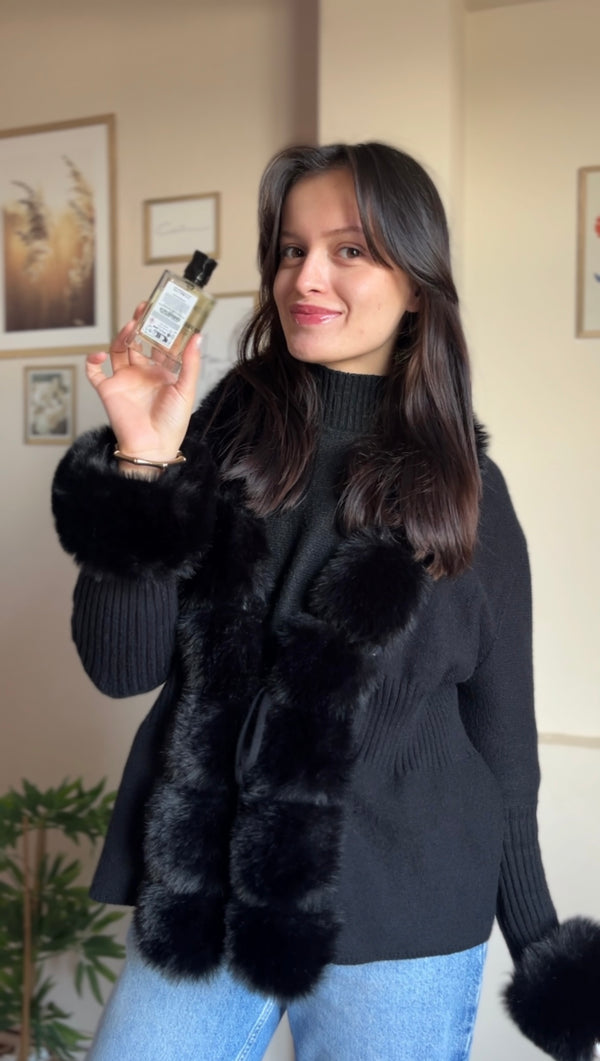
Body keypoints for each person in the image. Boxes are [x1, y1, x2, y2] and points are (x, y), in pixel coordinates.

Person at [52, 142, 600, 1061]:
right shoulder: (211, 442)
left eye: (350, 250)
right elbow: (120, 667)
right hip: (205, 896)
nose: (306, 277)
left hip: (405, 909)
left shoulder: (468, 496)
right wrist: (142, 457)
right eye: (290, 249)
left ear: (417, 284)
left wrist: (541, 944)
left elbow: (503, 741)